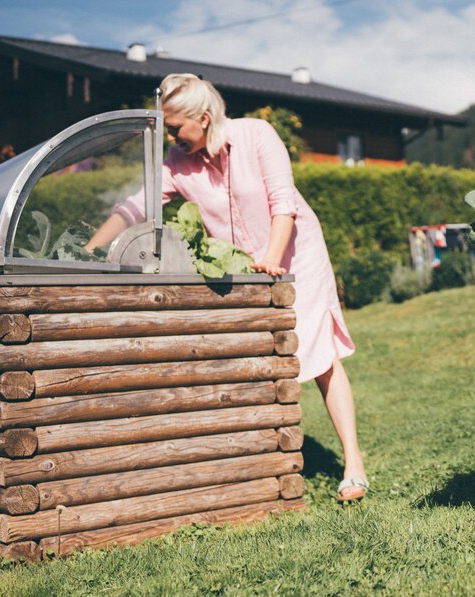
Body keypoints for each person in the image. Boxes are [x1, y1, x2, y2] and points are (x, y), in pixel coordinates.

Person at [85, 74, 369, 503]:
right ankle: (259, 461)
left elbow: (283, 203)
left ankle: (353, 464)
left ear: (202, 117)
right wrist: (89, 249)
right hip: (242, 269)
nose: (172, 138)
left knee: (318, 356)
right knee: (254, 359)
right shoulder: (177, 163)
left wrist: (272, 258)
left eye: (176, 128)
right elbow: (135, 206)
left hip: (296, 254)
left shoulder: (257, 134)